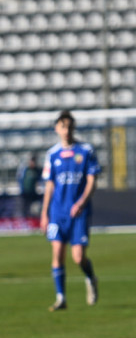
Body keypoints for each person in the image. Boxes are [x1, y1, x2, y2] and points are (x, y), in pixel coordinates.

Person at [40, 110, 100, 312]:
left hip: (79, 213)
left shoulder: (85, 151)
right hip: (58, 212)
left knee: (78, 257)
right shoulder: (52, 154)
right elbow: (49, 186)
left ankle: (91, 278)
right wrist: (44, 213)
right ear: (57, 128)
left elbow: (92, 181)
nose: (66, 130)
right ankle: (61, 298)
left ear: (74, 128)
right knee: (57, 253)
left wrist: (82, 202)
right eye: (63, 126)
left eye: (69, 126)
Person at [16, 153, 41, 218]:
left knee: (34, 208)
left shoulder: (37, 170)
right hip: (24, 193)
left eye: (34, 161)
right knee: (24, 209)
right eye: (31, 161)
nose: (32, 163)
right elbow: (19, 179)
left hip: (33, 193)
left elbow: (40, 180)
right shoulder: (25, 170)